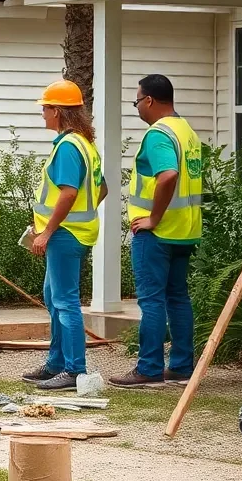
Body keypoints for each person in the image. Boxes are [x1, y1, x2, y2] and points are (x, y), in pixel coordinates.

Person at [111, 74, 203, 389]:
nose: (136, 107)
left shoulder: (158, 134)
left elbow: (168, 176)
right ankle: (180, 367)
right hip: (184, 230)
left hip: (158, 233)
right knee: (178, 297)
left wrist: (152, 218)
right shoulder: (187, 132)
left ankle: (148, 369)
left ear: (149, 100)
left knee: (151, 300)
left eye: (136, 101)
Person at [26, 80, 107, 391]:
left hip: (65, 235)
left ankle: (74, 369)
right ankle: (57, 362)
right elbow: (102, 189)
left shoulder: (69, 147)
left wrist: (48, 230)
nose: (42, 114)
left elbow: (69, 193)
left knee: (64, 301)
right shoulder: (85, 145)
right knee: (53, 297)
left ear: (57, 111)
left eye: (45, 109)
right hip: (75, 231)